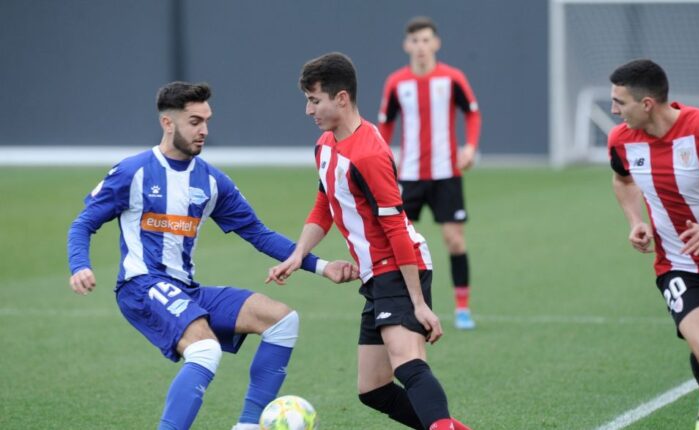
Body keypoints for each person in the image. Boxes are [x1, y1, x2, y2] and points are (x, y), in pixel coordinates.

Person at [67, 81, 357, 430]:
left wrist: (322, 266)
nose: (204, 130)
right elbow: (83, 224)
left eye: (206, 120)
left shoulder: (212, 181)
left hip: (186, 288)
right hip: (141, 286)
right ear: (168, 123)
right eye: (194, 121)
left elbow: (258, 233)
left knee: (281, 320)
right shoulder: (133, 172)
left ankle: (248, 425)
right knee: (205, 348)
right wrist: (80, 265)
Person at [266, 52, 470, 430]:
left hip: (399, 264)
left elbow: (395, 230)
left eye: (315, 100)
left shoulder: (371, 154)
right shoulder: (325, 146)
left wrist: (419, 303)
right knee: (373, 389)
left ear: (341, 98)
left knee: (407, 362)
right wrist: (298, 255)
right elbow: (324, 204)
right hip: (375, 275)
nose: (309, 110)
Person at [609, 59, 699, 430]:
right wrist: (635, 221)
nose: (613, 110)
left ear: (647, 104)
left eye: (619, 102)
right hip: (680, 265)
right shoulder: (621, 140)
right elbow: (623, 180)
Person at [377, 16, 482, 330]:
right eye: (415, 41)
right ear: (406, 45)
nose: (421, 47)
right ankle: (398, 303)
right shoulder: (397, 82)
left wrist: (470, 147)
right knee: (397, 241)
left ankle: (462, 309)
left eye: (426, 40)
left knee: (454, 240)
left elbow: (473, 115)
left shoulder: (451, 78)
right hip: (408, 175)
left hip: (447, 173)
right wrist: (384, 157)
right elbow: (385, 124)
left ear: (435, 43)